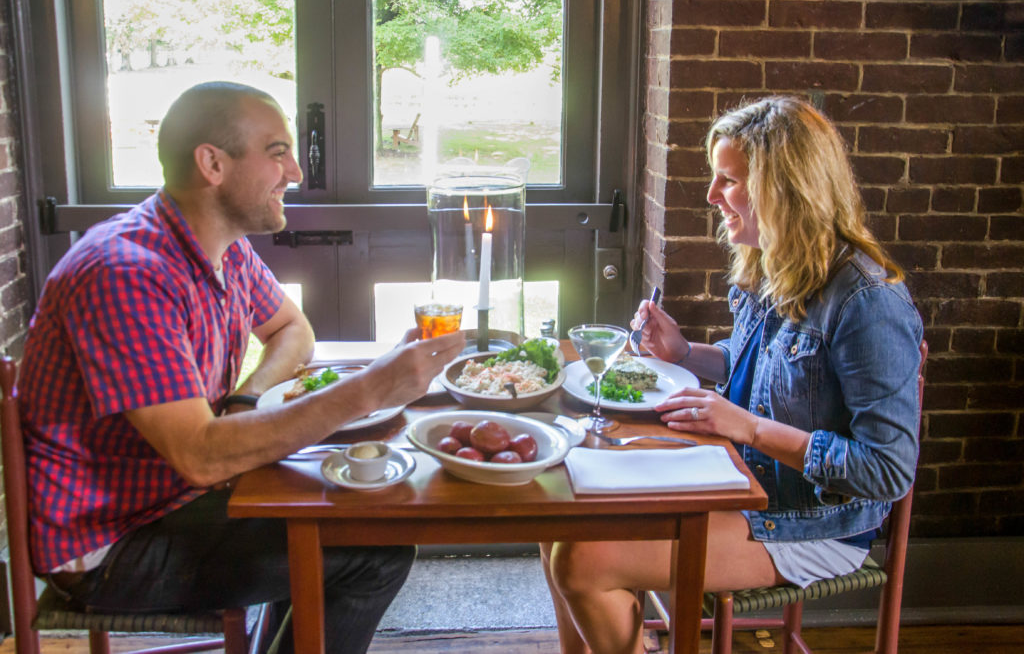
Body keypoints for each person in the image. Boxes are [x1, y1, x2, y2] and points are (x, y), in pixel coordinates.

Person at [17, 81, 465, 654]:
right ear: (212, 164)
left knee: (335, 512)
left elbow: (291, 329)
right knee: (373, 552)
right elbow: (203, 457)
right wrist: (369, 389)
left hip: (174, 497)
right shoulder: (126, 273)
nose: (297, 172)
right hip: (111, 542)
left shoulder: (216, 244)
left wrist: (247, 398)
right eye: (278, 151)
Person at [540, 96, 923, 654]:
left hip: (813, 521)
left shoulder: (868, 302)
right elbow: (764, 368)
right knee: (559, 512)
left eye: (729, 180)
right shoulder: (773, 262)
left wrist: (749, 428)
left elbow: (887, 471)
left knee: (583, 558)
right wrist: (685, 354)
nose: (712, 196)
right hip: (737, 479)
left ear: (784, 188)